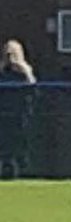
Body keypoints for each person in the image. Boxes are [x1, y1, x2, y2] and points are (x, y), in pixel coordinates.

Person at [0, 39, 34, 179]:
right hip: (3, 115)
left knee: (20, 143)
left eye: (12, 52)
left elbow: (32, 87)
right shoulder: (2, 72)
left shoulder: (24, 72)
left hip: (20, 115)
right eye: (7, 52)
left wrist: (24, 71)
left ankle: (21, 169)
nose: (9, 56)